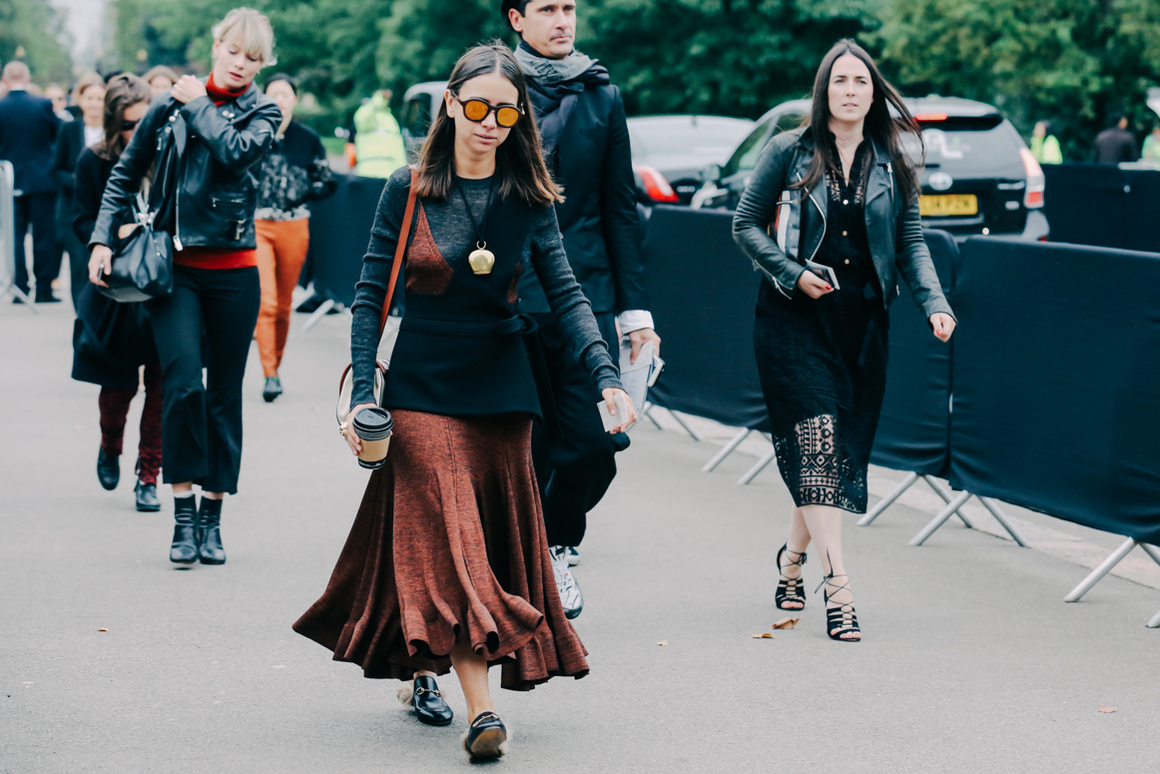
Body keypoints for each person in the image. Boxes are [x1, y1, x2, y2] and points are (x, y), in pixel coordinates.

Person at [293, 42, 634, 762]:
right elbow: (366, 298)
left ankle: (423, 668)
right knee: (455, 543)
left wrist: (605, 374)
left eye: (505, 113)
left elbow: (568, 295)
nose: (489, 123)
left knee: (454, 546)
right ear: (450, 104)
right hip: (419, 391)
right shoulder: (407, 187)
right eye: (476, 107)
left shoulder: (529, 199)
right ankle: (483, 714)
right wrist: (362, 394)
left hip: (501, 395)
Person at [732, 39, 956, 642]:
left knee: (828, 456)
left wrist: (934, 303)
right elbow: (745, 225)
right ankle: (839, 583)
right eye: (840, 81)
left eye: (861, 81)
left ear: (873, 92)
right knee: (818, 442)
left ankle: (792, 560)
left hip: (861, 326)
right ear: (824, 90)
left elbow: (910, 241)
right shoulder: (789, 150)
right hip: (791, 321)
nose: (851, 91)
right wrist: (792, 272)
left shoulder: (893, 159)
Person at [88, 7, 280, 566]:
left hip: (236, 273)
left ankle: (213, 516)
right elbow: (125, 171)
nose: (242, 64)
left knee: (223, 393)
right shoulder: (168, 104)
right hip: (176, 272)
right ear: (216, 45)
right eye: (234, 51)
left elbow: (235, 153)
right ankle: (182, 514)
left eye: (254, 57)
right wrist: (102, 238)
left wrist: (197, 102)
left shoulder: (262, 110)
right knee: (181, 387)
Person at [504, 0, 660, 619]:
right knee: (528, 443)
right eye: (548, 9)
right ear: (518, 18)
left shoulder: (602, 94)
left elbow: (620, 207)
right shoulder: (492, 86)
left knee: (595, 444)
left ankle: (557, 538)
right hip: (509, 290)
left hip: (584, 293)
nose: (563, 20)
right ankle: (535, 565)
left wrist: (635, 312)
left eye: (569, 8)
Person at [71, 73, 163, 512]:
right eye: (128, 124)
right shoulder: (94, 160)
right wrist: (110, 235)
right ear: (112, 123)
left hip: (163, 285)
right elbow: (80, 219)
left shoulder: (167, 155)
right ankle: (110, 444)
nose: (136, 132)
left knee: (164, 385)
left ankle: (149, 474)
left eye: (143, 122)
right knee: (117, 387)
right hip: (115, 290)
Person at [252, 72, 337, 402]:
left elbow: (327, 182)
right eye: (273, 93)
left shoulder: (308, 138)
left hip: (294, 227)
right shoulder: (254, 134)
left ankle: (276, 364)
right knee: (267, 301)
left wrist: (303, 190)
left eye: (285, 94)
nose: (279, 99)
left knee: (285, 306)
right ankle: (269, 373)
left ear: (294, 100)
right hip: (258, 225)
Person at [0, 60, 62, 303]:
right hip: (41, 179)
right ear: (27, 79)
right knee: (43, 235)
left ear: (5, 79)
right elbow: (57, 134)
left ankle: (20, 286)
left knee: (14, 236)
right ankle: (44, 288)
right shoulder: (42, 104)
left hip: (8, 180)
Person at [53, 73, 106, 307]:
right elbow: (56, 169)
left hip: (103, 211)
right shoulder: (69, 130)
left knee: (102, 267)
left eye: (99, 98)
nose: (95, 103)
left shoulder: (112, 131)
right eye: (90, 98)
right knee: (78, 267)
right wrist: (79, 181)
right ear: (81, 101)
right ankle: (83, 317)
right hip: (73, 211)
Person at [348, 87, 407, 177]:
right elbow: (362, 118)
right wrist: (379, 97)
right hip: (370, 174)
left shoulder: (390, 118)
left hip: (390, 175)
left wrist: (403, 173)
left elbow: (398, 149)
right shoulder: (367, 113)